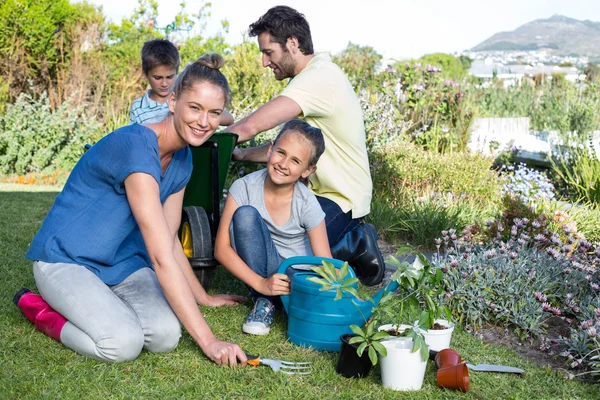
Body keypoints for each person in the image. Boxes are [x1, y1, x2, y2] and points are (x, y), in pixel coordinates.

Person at [15, 53, 247, 366]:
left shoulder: (183, 160)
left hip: (121, 264)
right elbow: (160, 257)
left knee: (165, 336)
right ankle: (38, 307)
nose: (204, 122)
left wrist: (202, 296)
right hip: (67, 260)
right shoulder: (136, 147)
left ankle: (100, 304)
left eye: (214, 113)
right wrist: (209, 340)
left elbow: (169, 238)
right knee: (122, 344)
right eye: (195, 108)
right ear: (172, 102)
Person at [227, 6, 384, 285]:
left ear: (292, 44)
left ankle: (354, 241)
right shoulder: (313, 77)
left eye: (268, 52)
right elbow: (287, 151)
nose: (264, 62)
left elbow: (252, 126)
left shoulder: (319, 78)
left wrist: (212, 140)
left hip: (339, 198)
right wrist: (239, 154)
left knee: (295, 266)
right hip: (311, 193)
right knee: (265, 242)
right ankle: (344, 246)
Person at [214, 119, 331, 335]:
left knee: (304, 281)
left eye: (295, 161)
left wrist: (344, 299)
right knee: (246, 215)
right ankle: (264, 301)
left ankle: (282, 302)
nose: (284, 164)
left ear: (307, 170)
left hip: (294, 277)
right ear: (270, 150)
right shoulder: (244, 187)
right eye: (281, 153)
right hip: (261, 274)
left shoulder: (307, 203)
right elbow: (221, 249)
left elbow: (326, 262)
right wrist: (260, 284)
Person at [130, 38, 234, 126]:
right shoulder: (138, 107)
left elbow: (229, 119)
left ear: (176, 72)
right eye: (158, 78)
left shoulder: (184, 97)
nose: (164, 84)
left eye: (170, 77)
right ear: (145, 74)